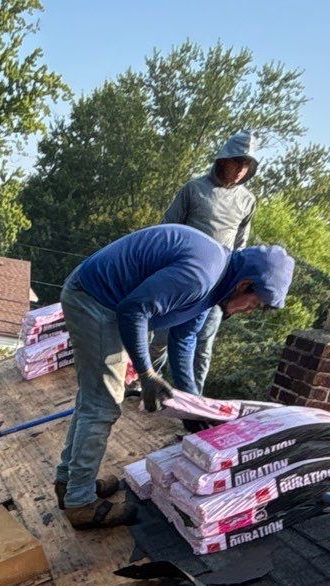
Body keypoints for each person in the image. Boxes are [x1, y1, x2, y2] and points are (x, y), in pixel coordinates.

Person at [54, 224, 295, 528]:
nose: (250, 310)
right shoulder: (201, 274)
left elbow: (183, 341)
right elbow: (134, 310)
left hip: (104, 303)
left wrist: (193, 406)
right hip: (94, 300)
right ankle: (80, 502)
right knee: (102, 404)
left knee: (93, 399)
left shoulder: (214, 287)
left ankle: (71, 483)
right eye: (255, 303)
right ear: (244, 284)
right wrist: (146, 372)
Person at [159, 131, 260, 395]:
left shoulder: (247, 200)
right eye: (237, 161)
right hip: (182, 275)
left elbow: (241, 245)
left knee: (202, 343)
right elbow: (167, 229)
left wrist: (235, 284)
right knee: (161, 335)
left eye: (247, 164)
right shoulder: (194, 189)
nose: (240, 169)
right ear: (223, 160)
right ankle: (145, 383)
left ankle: (194, 401)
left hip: (219, 282)